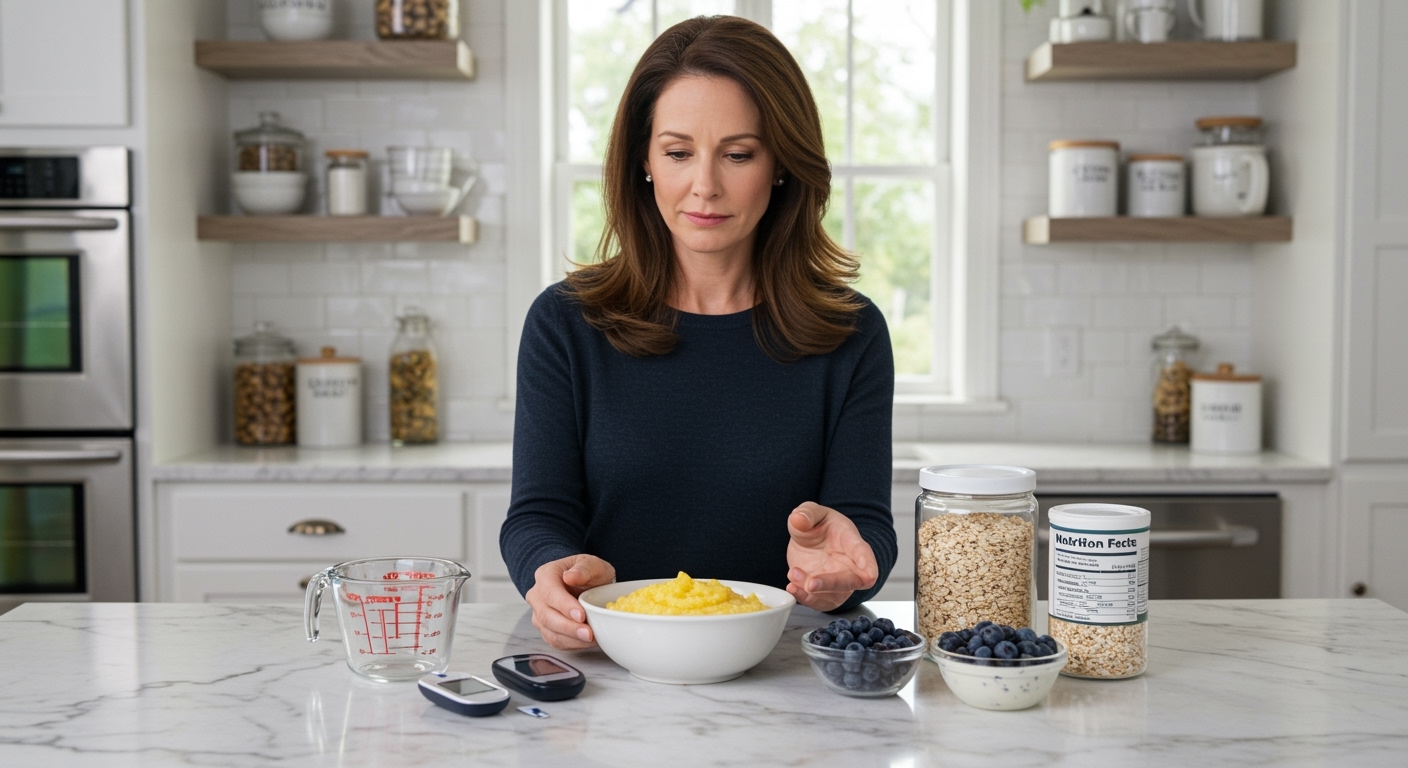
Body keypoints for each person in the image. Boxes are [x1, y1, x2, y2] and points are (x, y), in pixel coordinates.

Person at [500, 15, 896, 651]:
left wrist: (839, 576)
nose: (705, 186)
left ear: (782, 165)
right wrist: (551, 569)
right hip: (612, 658)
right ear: (645, 161)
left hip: (785, 670)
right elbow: (538, 515)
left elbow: (864, 527)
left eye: (738, 154)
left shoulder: (850, 333)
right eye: (678, 152)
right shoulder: (566, 322)